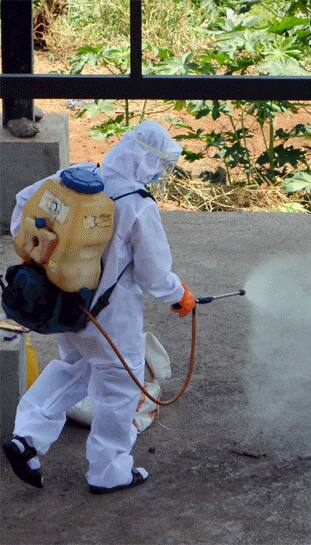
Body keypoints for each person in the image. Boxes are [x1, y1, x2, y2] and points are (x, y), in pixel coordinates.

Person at [3, 120, 196, 494]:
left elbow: (23, 206)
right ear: (144, 161)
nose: (159, 173)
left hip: (64, 306)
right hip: (112, 320)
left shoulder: (75, 176)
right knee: (118, 392)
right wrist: (179, 296)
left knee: (73, 369)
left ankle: (26, 438)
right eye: (158, 165)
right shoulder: (138, 205)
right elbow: (155, 275)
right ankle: (110, 473)